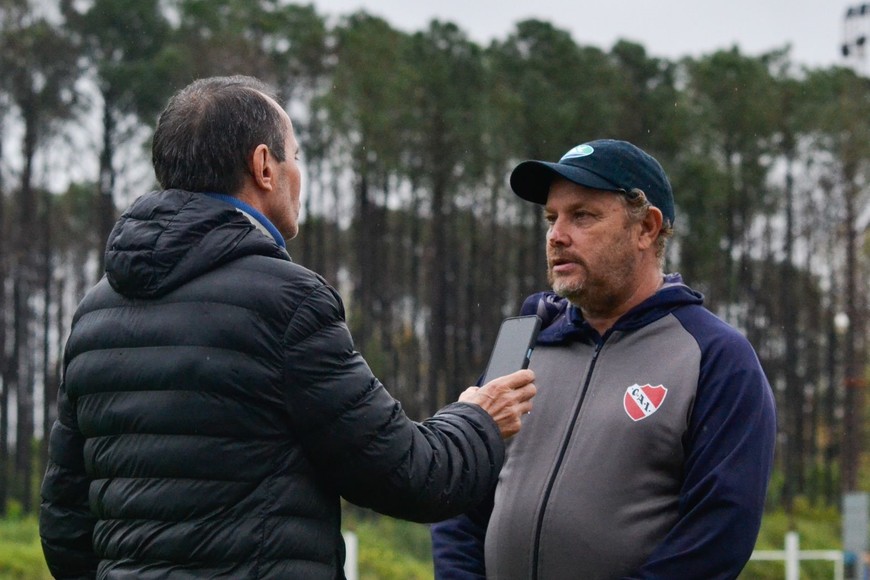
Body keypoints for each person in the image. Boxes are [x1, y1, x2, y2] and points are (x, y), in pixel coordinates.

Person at [38, 75, 536, 579]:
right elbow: (409, 476)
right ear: (264, 167)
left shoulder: (95, 310)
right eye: (295, 157)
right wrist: (478, 420)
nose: (299, 174)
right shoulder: (288, 302)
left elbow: (64, 522)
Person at [431, 139, 777, 579]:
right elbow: (462, 492)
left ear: (646, 229)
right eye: (551, 218)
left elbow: (717, 534)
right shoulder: (521, 345)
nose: (557, 235)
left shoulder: (716, 357)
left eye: (582, 216)